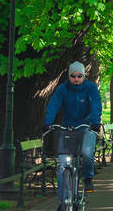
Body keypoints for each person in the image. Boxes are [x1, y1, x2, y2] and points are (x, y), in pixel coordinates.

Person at [42, 61, 103, 197]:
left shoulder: (91, 88)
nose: (76, 79)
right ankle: (62, 202)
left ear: (84, 76)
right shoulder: (62, 89)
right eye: (73, 76)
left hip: (86, 127)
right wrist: (48, 122)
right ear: (69, 76)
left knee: (86, 153)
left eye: (79, 76)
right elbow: (54, 105)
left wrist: (95, 122)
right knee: (62, 166)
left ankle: (88, 178)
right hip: (67, 127)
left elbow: (96, 105)